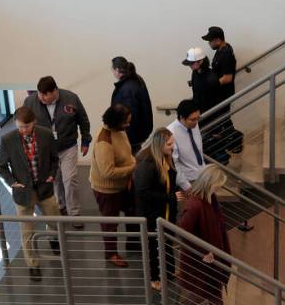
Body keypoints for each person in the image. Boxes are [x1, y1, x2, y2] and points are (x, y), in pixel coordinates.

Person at [0, 106, 61, 282]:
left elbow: (55, 159)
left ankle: (53, 238)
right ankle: (33, 264)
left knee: (54, 219)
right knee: (27, 231)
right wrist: (12, 183)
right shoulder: (8, 139)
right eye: (20, 127)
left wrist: (51, 175)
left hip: (44, 188)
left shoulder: (46, 135)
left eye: (27, 126)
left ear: (34, 122)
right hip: (23, 193)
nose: (23, 130)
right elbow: (1, 166)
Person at [23, 76, 91, 226]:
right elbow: (24, 123)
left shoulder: (71, 98)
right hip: (46, 150)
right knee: (55, 180)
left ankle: (74, 213)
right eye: (39, 94)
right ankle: (61, 206)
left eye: (44, 94)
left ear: (54, 91)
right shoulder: (30, 102)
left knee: (70, 179)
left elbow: (83, 120)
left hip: (68, 146)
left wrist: (86, 140)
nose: (41, 97)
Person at [176, 165, 233, 305]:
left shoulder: (209, 199)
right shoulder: (195, 205)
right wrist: (202, 252)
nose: (219, 187)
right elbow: (184, 232)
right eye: (218, 184)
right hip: (203, 258)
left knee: (212, 286)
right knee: (205, 288)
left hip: (213, 253)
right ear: (209, 183)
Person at [134, 128, 183, 286]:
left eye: (172, 143)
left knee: (166, 241)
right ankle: (154, 277)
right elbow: (143, 193)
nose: (172, 147)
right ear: (159, 144)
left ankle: (169, 270)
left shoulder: (166, 158)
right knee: (153, 247)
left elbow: (170, 182)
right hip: (152, 214)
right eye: (169, 144)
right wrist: (171, 197)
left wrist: (173, 196)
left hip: (166, 211)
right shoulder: (147, 164)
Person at [90, 104, 137, 268]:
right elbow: (108, 172)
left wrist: (130, 167)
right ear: (116, 122)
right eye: (126, 122)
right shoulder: (104, 141)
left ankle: (133, 242)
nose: (128, 125)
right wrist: (132, 168)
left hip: (123, 184)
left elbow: (127, 152)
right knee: (110, 223)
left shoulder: (119, 132)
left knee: (133, 210)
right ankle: (111, 253)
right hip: (107, 190)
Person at [203, 26, 244, 156]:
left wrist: (211, 85)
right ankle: (234, 142)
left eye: (210, 41)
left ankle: (237, 141)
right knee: (223, 119)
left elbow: (227, 78)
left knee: (222, 119)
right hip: (220, 93)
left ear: (218, 40)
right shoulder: (221, 50)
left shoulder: (226, 54)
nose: (209, 44)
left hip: (223, 94)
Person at [110, 56, 153, 155]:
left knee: (130, 164)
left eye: (112, 69)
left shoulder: (127, 88)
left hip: (130, 137)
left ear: (117, 70)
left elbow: (129, 116)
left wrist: (122, 137)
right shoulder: (136, 80)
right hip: (139, 134)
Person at [167, 99, 206, 192]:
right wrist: (186, 186)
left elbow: (198, 152)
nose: (196, 122)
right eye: (193, 119)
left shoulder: (194, 125)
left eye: (198, 118)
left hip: (202, 176)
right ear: (182, 117)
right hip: (187, 182)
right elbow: (173, 164)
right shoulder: (170, 132)